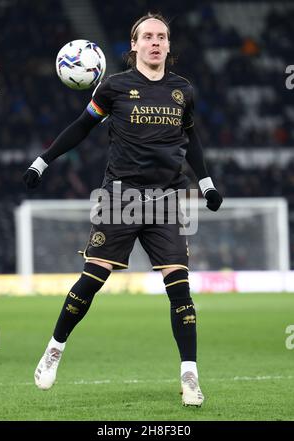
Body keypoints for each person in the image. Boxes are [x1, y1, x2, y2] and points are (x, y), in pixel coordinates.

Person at [23, 13, 222, 407]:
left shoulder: (184, 91)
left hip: (166, 199)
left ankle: (190, 377)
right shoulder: (114, 87)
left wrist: (206, 183)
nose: (155, 42)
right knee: (93, 278)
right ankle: (54, 349)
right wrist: (43, 160)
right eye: (147, 36)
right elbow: (81, 126)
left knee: (180, 288)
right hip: (120, 197)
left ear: (168, 45)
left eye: (161, 37)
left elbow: (192, 138)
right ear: (134, 45)